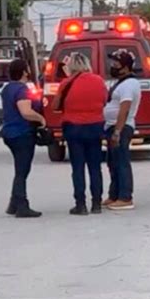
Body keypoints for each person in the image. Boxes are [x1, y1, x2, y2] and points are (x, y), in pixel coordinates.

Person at [53, 53, 107, 215]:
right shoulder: (99, 81)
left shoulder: (66, 83)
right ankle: (97, 203)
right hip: (95, 126)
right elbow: (105, 100)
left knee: (78, 167)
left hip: (74, 127)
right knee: (95, 167)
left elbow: (55, 105)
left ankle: (80, 204)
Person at [2, 59, 45, 218]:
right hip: (22, 133)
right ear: (24, 72)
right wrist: (41, 119)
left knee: (19, 168)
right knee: (22, 171)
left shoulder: (7, 89)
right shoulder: (22, 89)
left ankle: (13, 203)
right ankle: (22, 205)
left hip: (9, 131)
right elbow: (25, 111)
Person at [103, 50, 141, 211]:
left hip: (122, 127)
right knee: (113, 162)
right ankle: (114, 195)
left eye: (116, 63)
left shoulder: (129, 84)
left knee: (121, 162)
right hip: (111, 126)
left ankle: (125, 197)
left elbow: (124, 109)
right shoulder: (120, 82)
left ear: (125, 66)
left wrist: (117, 131)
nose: (113, 66)